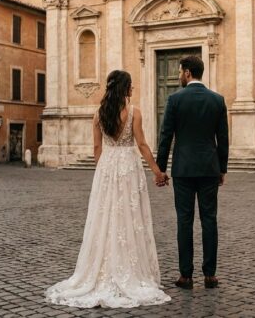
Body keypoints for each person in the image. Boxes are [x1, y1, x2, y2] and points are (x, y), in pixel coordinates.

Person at [45, 70, 171, 308]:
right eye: (131, 86)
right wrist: (157, 171)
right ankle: (131, 271)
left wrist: (103, 172)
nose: (133, 89)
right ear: (125, 88)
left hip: (107, 166)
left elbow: (96, 148)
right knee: (129, 217)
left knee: (105, 217)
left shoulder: (98, 115)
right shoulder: (134, 113)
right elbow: (142, 144)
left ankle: (100, 269)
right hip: (128, 166)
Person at [157, 55, 229, 290]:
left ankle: (185, 276)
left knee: (184, 221)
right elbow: (223, 139)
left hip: (183, 170)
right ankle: (210, 275)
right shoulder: (217, 100)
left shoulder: (175, 99)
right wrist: (222, 168)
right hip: (209, 168)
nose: (178, 75)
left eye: (180, 71)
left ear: (187, 73)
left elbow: (166, 136)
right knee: (209, 220)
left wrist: (160, 168)